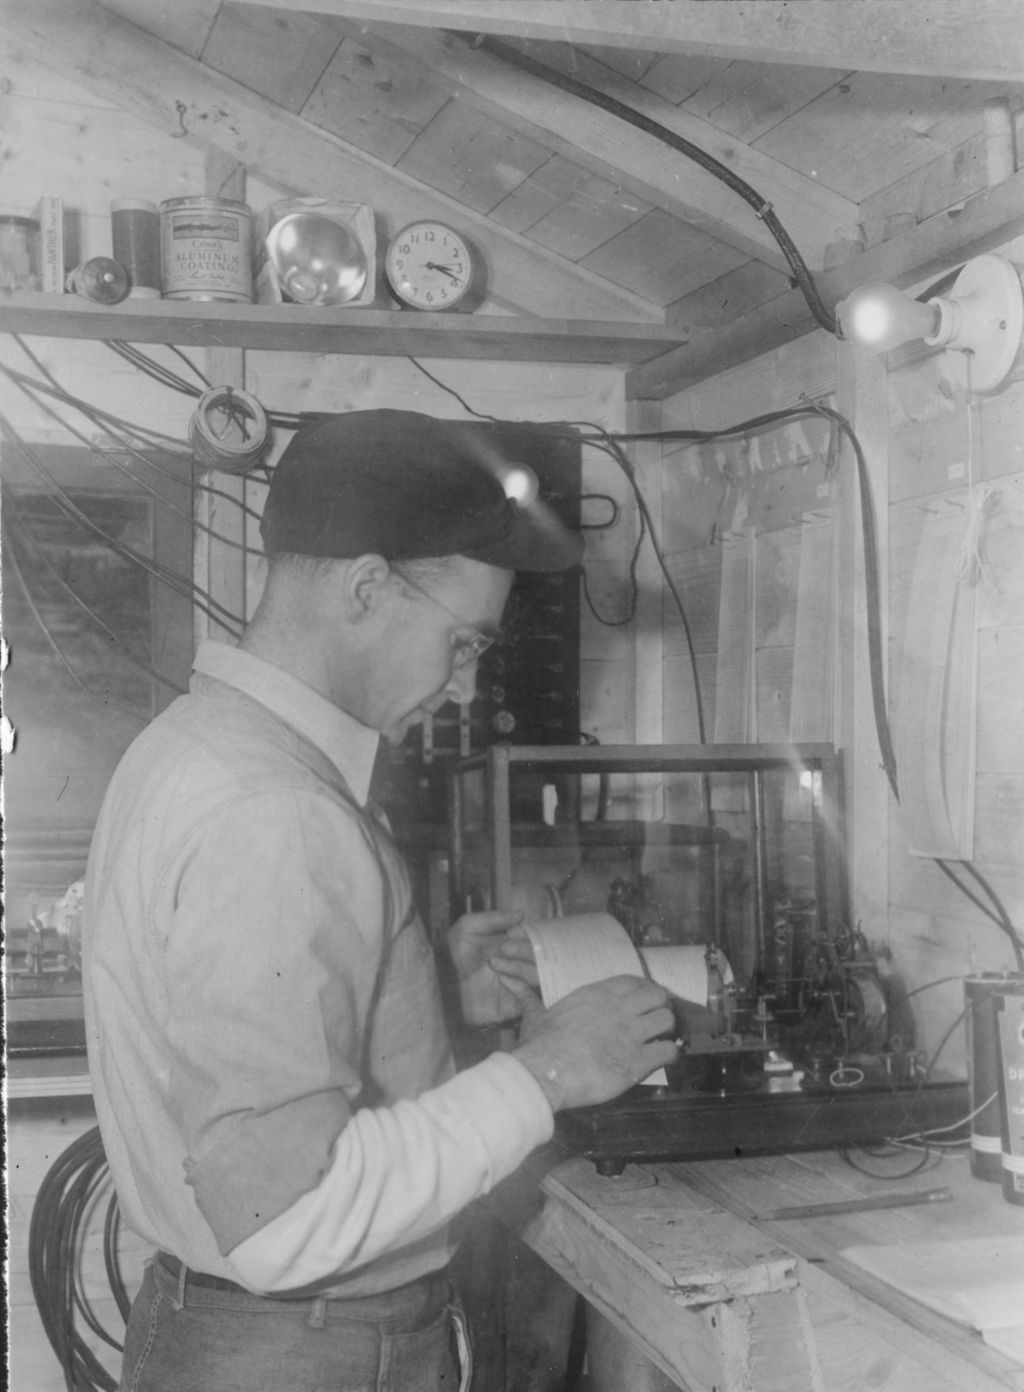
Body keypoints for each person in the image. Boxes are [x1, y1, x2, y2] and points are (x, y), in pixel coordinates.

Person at [83, 409, 678, 1392]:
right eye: (461, 642)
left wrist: (428, 994)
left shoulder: (199, 743)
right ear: (367, 587)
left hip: (252, 1337)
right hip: (303, 1351)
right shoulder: (277, 812)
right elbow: (288, 1215)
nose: (467, 684)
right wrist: (551, 1069)